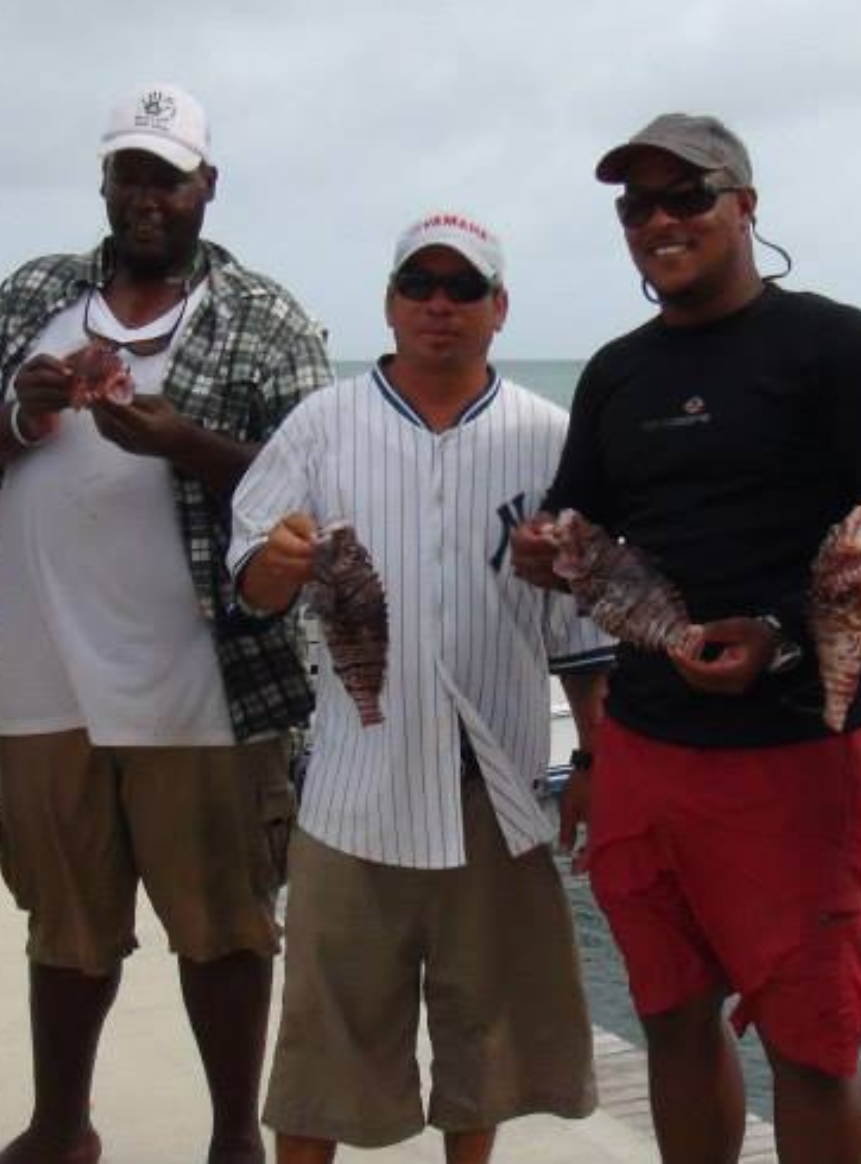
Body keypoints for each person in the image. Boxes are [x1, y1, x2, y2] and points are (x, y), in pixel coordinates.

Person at [0, 81, 333, 1164]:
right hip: (43, 676)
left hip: (205, 680)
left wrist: (184, 442)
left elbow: (318, 480)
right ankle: (62, 1127)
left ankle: (233, 1138)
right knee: (62, 921)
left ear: (207, 186)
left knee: (225, 925)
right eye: (129, 174)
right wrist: (21, 415)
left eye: (168, 178)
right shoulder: (34, 295)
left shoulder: (264, 317)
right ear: (104, 181)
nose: (147, 196)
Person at [513, 115, 861, 1164]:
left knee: (813, 1046)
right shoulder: (617, 373)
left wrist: (783, 634)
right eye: (637, 206)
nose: (660, 220)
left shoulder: (840, 347)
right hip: (647, 744)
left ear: (745, 204)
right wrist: (548, 549)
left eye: (687, 195)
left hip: (798, 751)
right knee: (671, 1016)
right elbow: (581, 519)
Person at [230, 212, 611, 1162]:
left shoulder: (550, 437)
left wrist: (597, 762)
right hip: (355, 790)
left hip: (497, 789)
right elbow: (252, 587)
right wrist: (279, 559)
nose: (440, 304)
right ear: (391, 303)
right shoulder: (321, 425)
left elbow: (583, 630)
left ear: (499, 307)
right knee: (322, 1047)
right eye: (420, 285)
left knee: (484, 1042)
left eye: (463, 287)